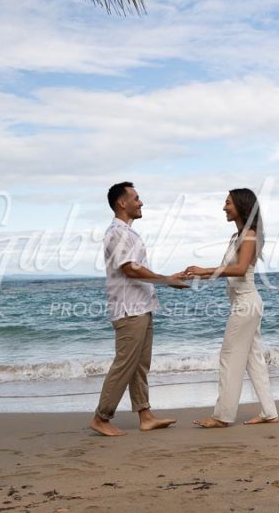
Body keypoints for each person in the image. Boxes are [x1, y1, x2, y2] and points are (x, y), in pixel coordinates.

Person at [90, 182, 189, 437]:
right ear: (122, 203)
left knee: (139, 365)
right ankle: (101, 418)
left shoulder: (128, 233)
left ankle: (145, 415)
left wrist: (166, 278)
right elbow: (130, 268)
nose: (141, 202)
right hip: (128, 310)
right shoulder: (117, 232)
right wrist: (166, 279)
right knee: (125, 364)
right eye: (136, 197)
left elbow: (135, 268)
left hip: (141, 307)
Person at [185, 188, 278, 428]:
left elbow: (240, 269)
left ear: (240, 205)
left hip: (246, 303)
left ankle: (222, 416)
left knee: (228, 356)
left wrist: (204, 270)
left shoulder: (249, 234)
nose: (224, 207)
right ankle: (269, 412)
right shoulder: (237, 237)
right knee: (252, 359)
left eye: (227, 203)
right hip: (243, 303)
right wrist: (195, 276)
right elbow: (224, 271)